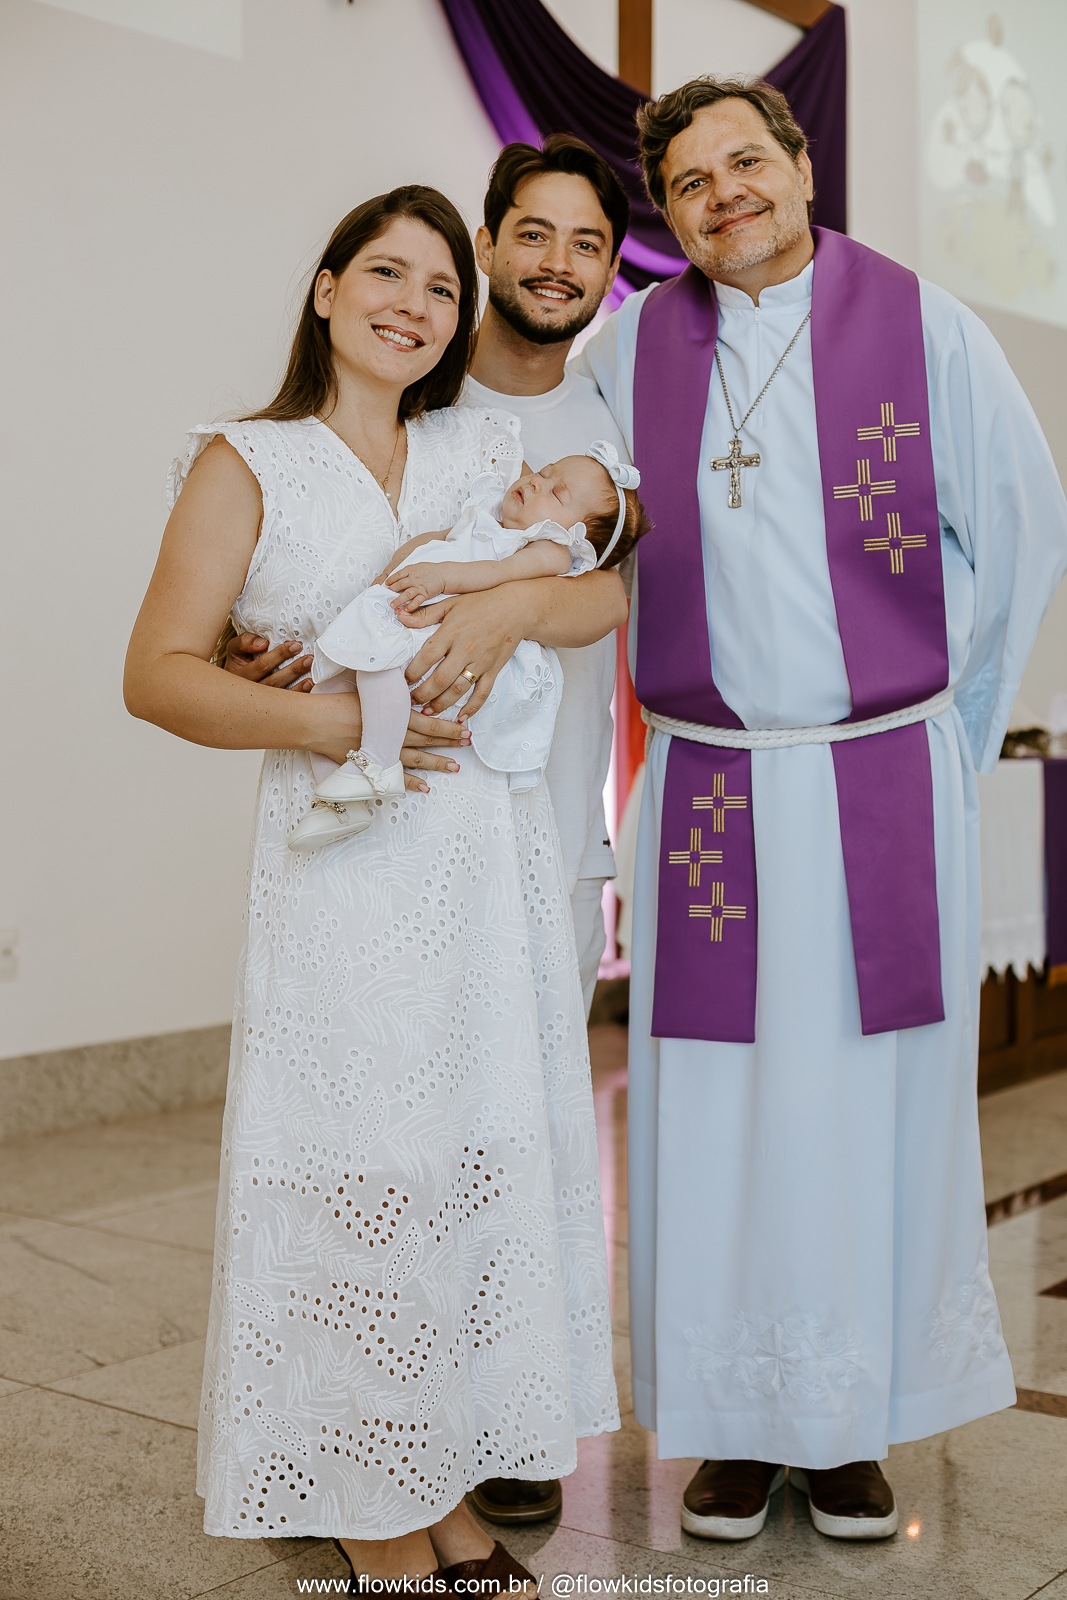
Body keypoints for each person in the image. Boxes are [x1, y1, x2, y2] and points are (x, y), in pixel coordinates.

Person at [574, 77, 1067, 1542]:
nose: (721, 193)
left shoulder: (921, 327)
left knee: (868, 1098)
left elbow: (1019, 529)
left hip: (874, 778)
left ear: (798, 167)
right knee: (707, 1104)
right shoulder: (627, 351)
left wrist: (942, 743)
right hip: (706, 787)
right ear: (668, 217)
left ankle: (848, 1425)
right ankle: (729, 1425)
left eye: (745, 161)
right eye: (688, 182)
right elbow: (564, 522)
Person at [124, 185, 624, 1589]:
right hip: (344, 876)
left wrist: (508, 604)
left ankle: (440, 1480)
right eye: (386, 275)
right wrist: (340, 722)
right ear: (328, 288)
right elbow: (157, 674)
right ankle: (368, 1507)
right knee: (360, 1181)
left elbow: (600, 595)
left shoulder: (479, 445)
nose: (414, 305)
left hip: (483, 871)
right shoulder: (249, 461)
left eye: (440, 288)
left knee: (464, 1176)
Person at [290, 443, 646, 851]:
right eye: (545, 472)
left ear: (575, 537)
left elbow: (498, 573)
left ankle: (378, 762)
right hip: (419, 612)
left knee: (379, 666)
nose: (536, 482)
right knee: (328, 690)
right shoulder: (487, 516)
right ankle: (338, 801)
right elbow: (435, 539)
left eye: (556, 493)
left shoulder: (548, 552)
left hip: (448, 635)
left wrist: (442, 576)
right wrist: (395, 570)